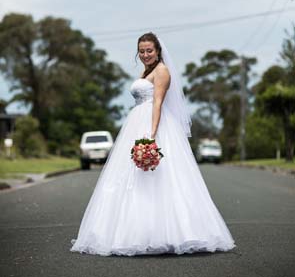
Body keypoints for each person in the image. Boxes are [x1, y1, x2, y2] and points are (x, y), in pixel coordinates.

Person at [70, 32, 237, 256]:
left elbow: (157, 103)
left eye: (149, 50)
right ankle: (137, 232)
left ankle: (172, 233)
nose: (145, 54)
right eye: (142, 51)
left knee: (164, 179)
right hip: (136, 122)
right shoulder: (146, 71)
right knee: (133, 179)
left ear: (158, 51)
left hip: (152, 124)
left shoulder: (162, 71)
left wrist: (151, 136)